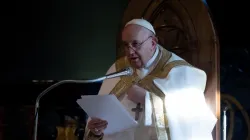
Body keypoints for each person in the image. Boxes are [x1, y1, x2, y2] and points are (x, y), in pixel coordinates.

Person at [84, 19, 217, 140]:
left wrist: (148, 100)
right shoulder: (118, 69)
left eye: (136, 44)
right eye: (126, 45)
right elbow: (101, 116)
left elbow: (194, 121)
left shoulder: (181, 73)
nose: (130, 52)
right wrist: (97, 131)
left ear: (153, 43)